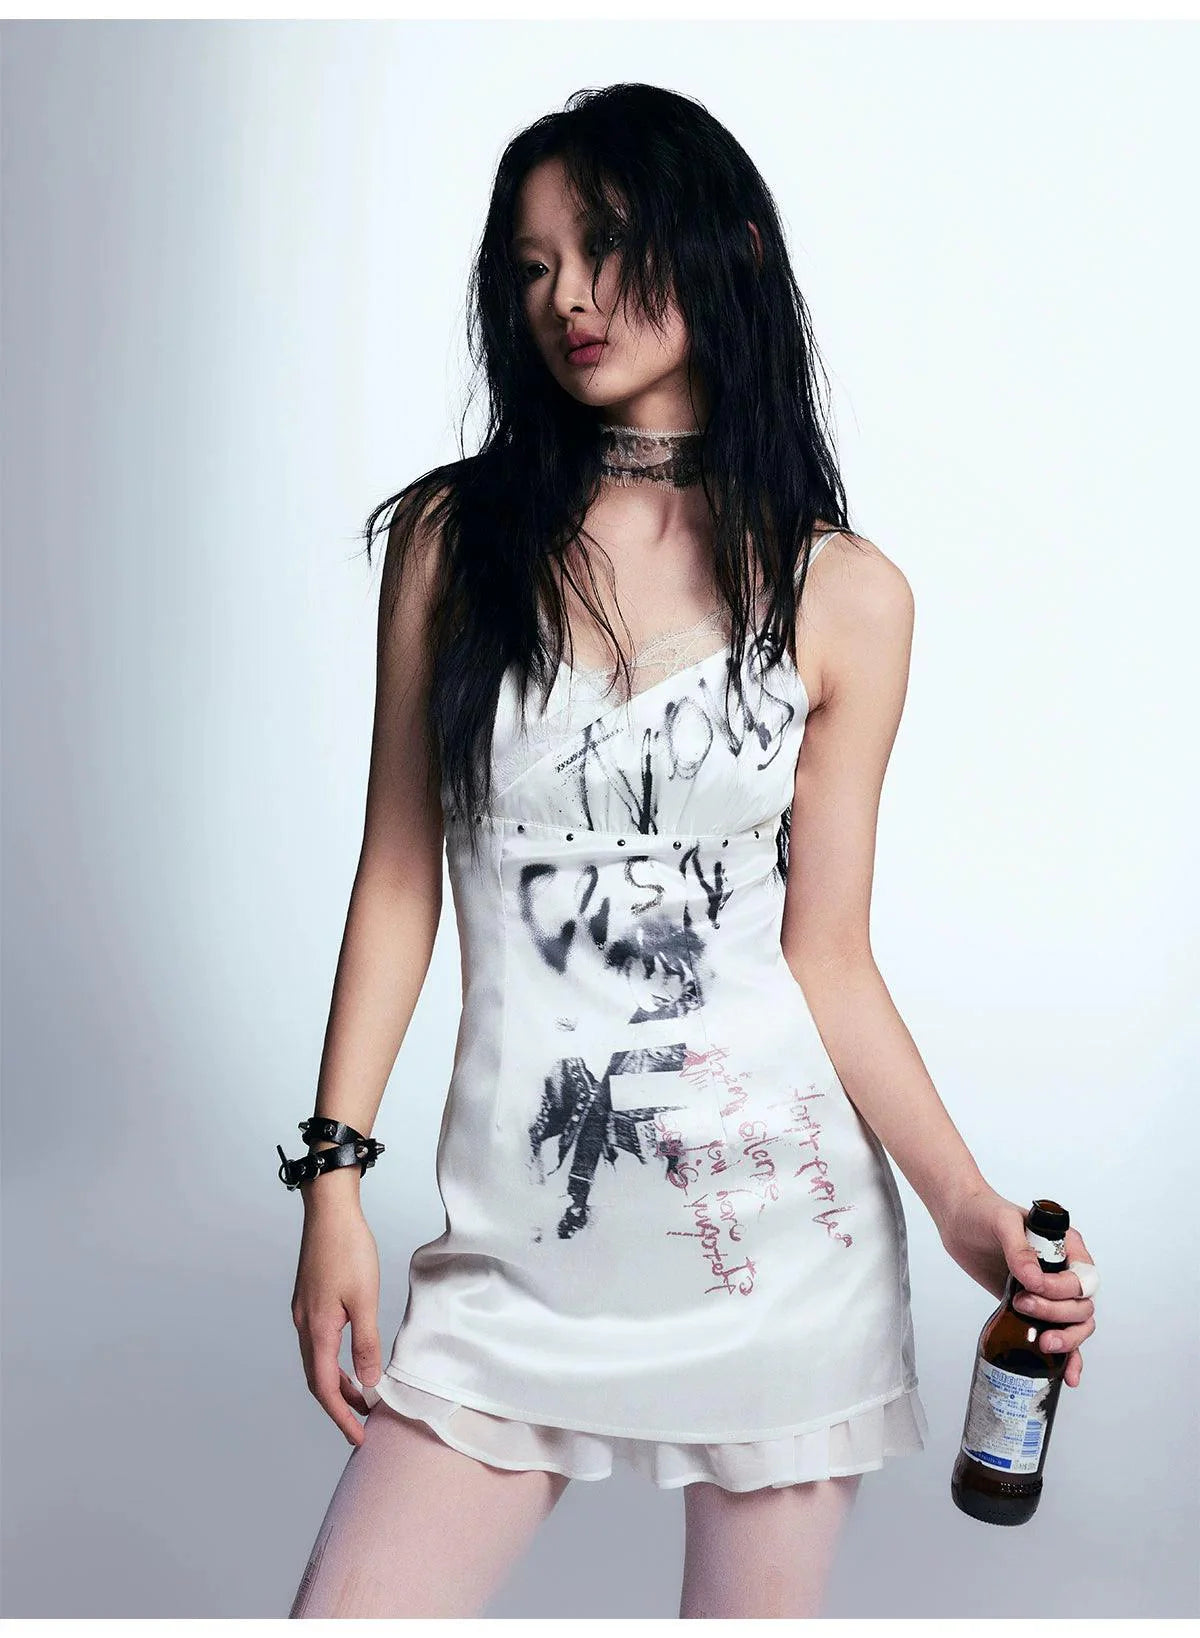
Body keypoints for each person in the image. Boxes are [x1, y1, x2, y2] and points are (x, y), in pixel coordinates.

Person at [282, 83, 1098, 1619]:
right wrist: (333, 1180)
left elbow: (828, 955)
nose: (567, 297)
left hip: (776, 1246)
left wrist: (969, 1207)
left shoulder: (848, 596)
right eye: (532, 266)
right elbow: (397, 879)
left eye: (601, 245)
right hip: (520, 1251)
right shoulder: (456, 545)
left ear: (728, 249)